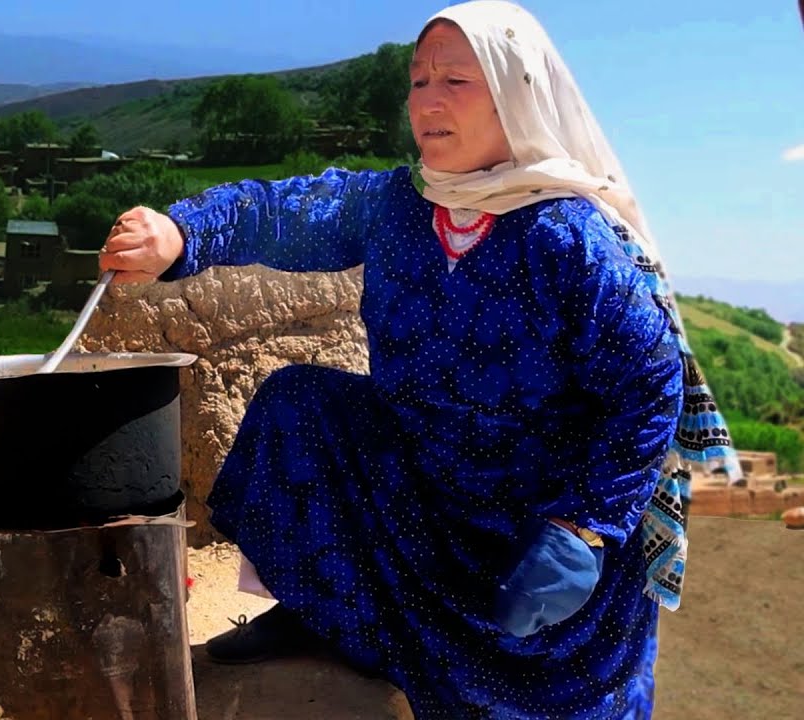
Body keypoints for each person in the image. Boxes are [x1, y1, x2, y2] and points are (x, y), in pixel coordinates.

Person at [98, 2, 741, 718]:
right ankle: (319, 611)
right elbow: (285, 211)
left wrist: (583, 528)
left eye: (456, 81)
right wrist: (180, 232)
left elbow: (649, 389)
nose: (428, 101)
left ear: (516, 95)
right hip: (421, 493)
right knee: (300, 404)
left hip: (536, 526)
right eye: (418, 80)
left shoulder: (570, 239)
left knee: (545, 694)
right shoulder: (399, 207)